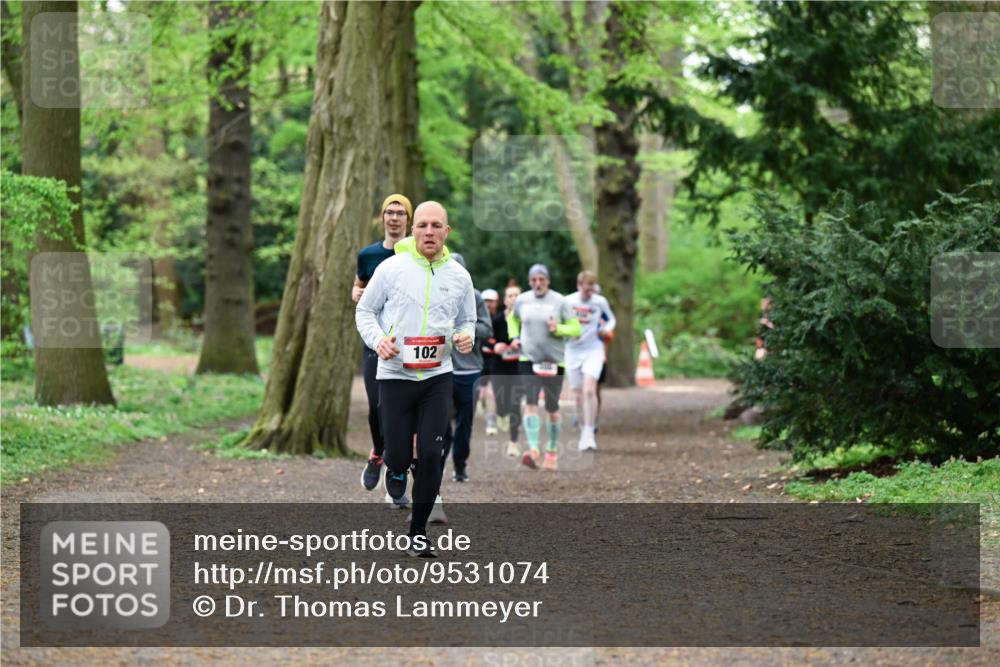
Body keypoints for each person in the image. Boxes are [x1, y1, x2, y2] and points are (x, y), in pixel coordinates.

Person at [355, 201, 475, 558]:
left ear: (446, 232)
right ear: (412, 230)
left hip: (437, 378)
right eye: (422, 225)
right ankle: (393, 467)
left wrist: (465, 336)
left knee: (431, 453)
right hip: (394, 376)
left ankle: (417, 532)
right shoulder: (391, 270)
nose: (428, 231)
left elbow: (467, 320)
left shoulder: (459, 276)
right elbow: (365, 311)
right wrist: (379, 341)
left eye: (436, 225)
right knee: (395, 456)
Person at [353, 194, 412, 508]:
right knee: (377, 407)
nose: (394, 217)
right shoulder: (368, 254)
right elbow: (358, 284)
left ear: (408, 219)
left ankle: (396, 474)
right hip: (376, 343)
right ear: (382, 217)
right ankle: (378, 453)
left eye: (400, 212)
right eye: (389, 212)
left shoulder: (417, 253)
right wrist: (358, 294)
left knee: (401, 411)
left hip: (409, 346)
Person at [507, 264, 581, 471]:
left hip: (554, 361)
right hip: (528, 359)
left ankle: (551, 449)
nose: (538, 283)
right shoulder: (522, 300)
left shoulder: (560, 301)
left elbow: (576, 328)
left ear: (548, 280)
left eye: (542, 279)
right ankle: (533, 450)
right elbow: (512, 319)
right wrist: (514, 337)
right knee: (530, 402)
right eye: (534, 280)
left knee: (551, 407)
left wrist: (559, 328)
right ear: (530, 282)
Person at [442, 254, 492, 484]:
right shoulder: (436, 295)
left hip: (469, 370)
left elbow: (486, 328)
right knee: (441, 421)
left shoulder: (476, 296)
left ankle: (460, 464)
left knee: (465, 421)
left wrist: (466, 331)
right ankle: (438, 464)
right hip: (441, 369)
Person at [565, 271, 616, 451]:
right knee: (578, 393)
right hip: (572, 350)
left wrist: (605, 329)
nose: (589, 293)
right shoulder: (569, 301)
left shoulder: (599, 301)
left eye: (591, 289)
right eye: (586, 289)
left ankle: (589, 431)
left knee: (589, 389)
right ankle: (582, 429)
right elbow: (558, 321)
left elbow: (612, 319)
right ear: (579, 286)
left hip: (593, 349)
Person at [494, 283, 523, 457]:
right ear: (505, 300)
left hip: (518, 367)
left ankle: (513, 442)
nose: (514, 298)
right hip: (499, 366)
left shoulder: (524, 320)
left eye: (517, 295)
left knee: (515, 404)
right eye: (510, 295)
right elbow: (487, 340)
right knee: (501, 402)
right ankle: (500, 413)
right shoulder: (497, 320)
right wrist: (496, 345)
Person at [479, 288, 501, 436]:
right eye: (485, 301)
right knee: (482, 395)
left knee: (493, 392)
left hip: (495, 360)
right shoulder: (477, 319)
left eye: (491, 301)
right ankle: (487, 407)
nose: (488, 304)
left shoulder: (500, 319)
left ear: (496, 302)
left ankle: (491, 419)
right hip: (481, 360)